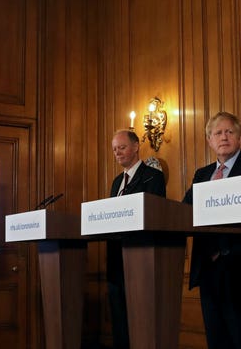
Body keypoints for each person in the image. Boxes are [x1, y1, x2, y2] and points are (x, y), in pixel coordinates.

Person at [182, 112, 241, 349]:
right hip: (207, 268)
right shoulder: (201, 175)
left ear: (239, 138)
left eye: (229, 132)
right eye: (217, 133)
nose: (224, 137)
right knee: (216, 338)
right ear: (209, 141)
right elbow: (184, 212)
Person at [107, 129, 166, 348]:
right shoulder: (116, 183)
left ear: (135, 147)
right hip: (116, 261)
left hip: (140, 260)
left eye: (121, 148)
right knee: (120, 322)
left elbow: (155, 216)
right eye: (114, 149)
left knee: (141, 324)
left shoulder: (153, 176)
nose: (117, 153)